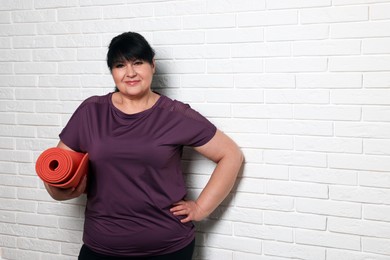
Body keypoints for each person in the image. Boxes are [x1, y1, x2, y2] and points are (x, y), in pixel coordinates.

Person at [43, 32, 243, 260]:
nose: (130, 73)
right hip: (101, 247)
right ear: (112, 72)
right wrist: (60, 190)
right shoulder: (91, 112)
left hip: (167, 248)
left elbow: (230, 155)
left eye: (138, 63)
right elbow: (57, 172)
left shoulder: (175, 115)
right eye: (120, 65)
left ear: (153, 65)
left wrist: (200, 208)